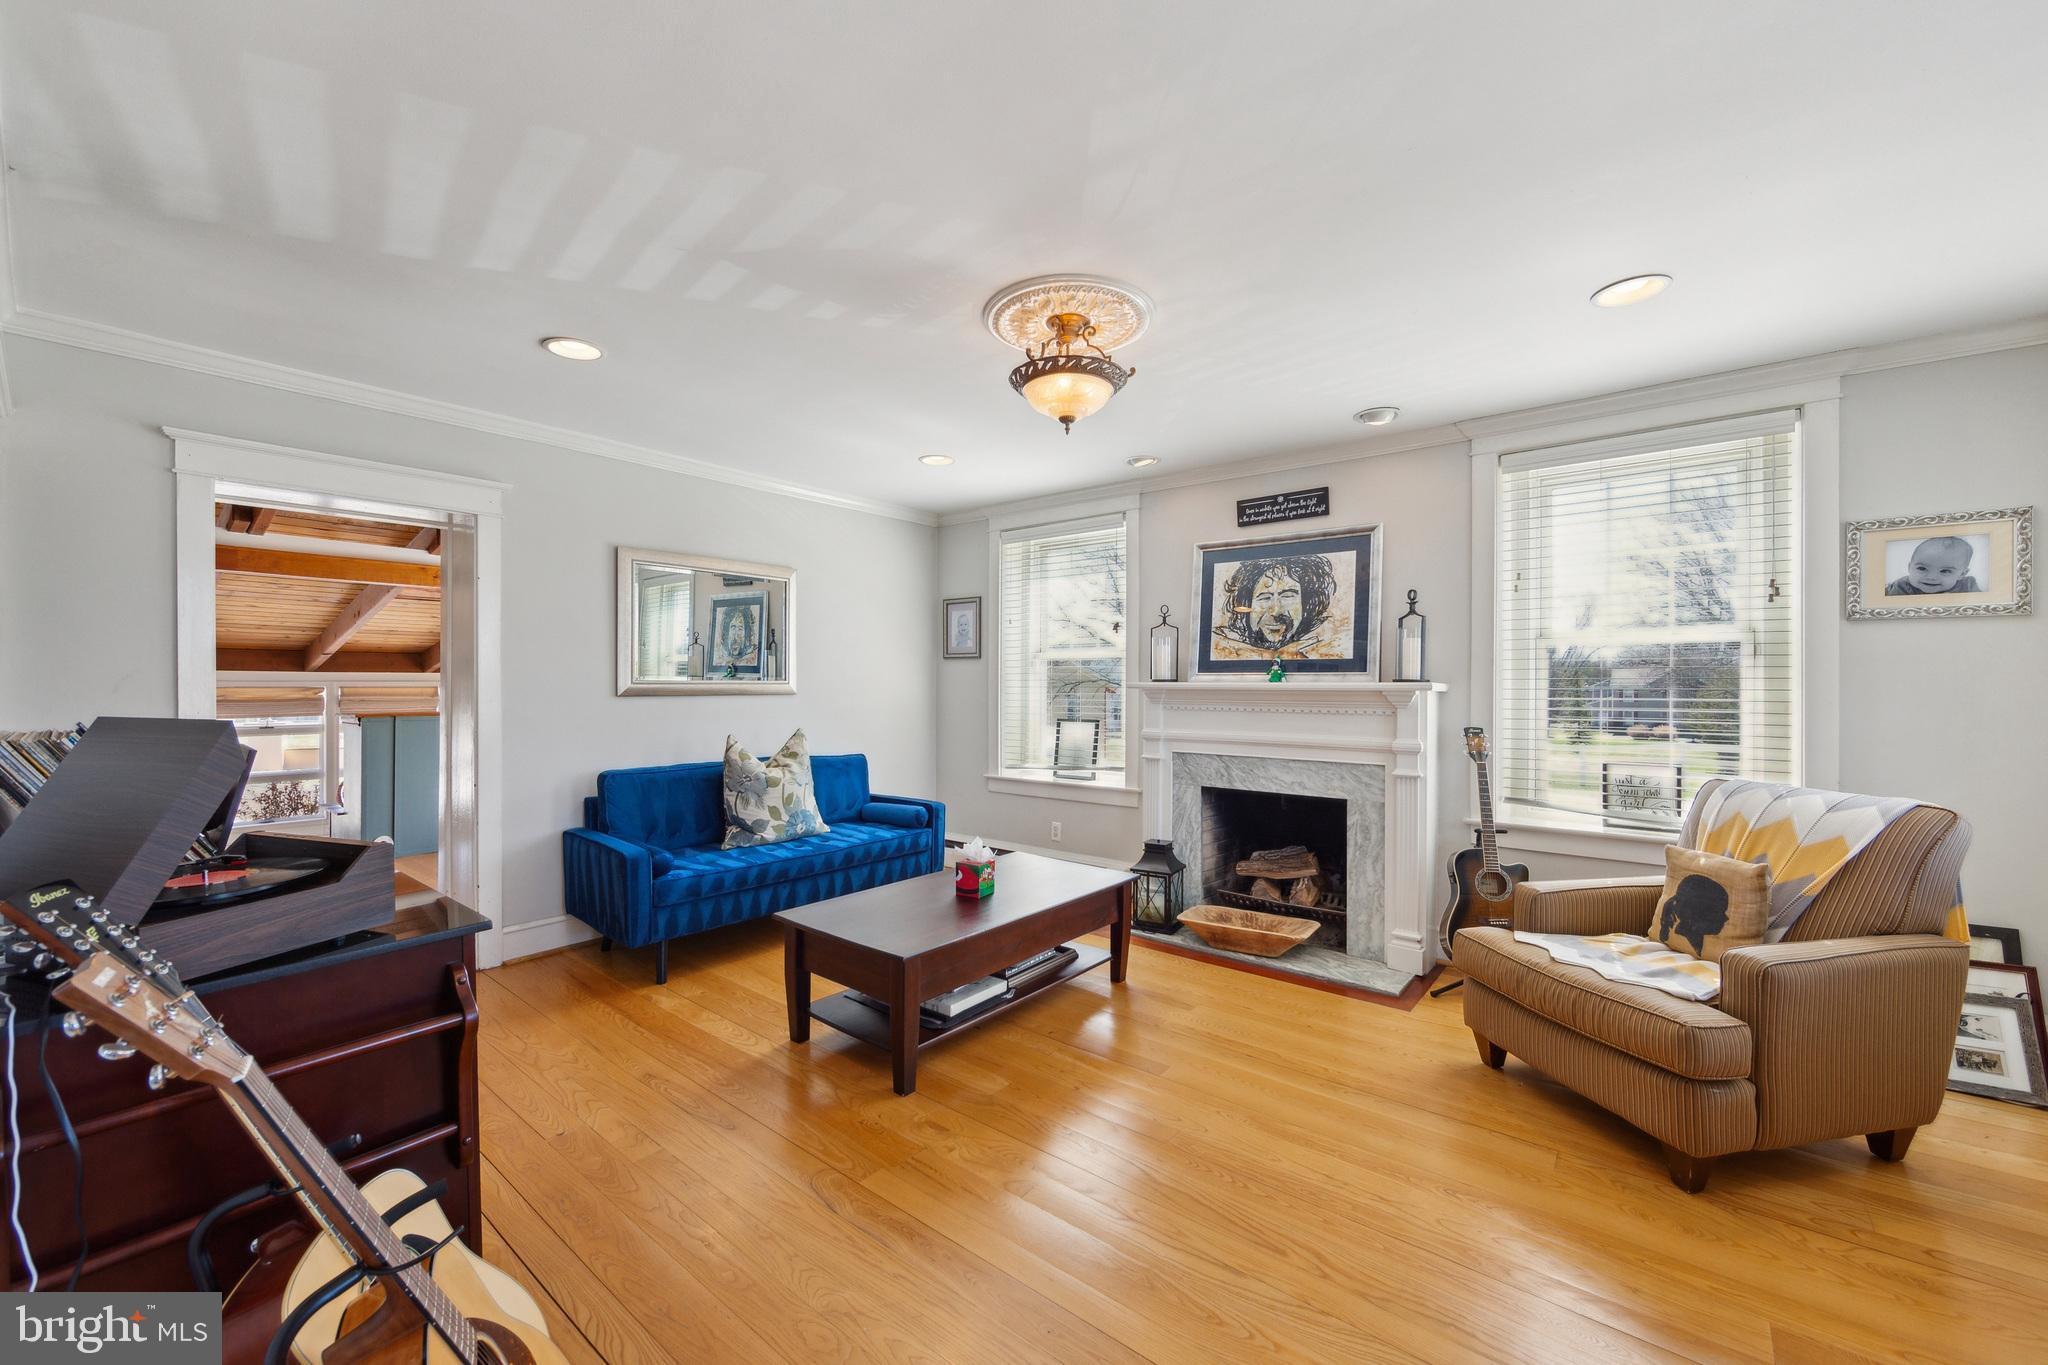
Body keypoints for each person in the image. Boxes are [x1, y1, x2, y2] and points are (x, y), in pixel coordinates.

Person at [1887, 535, 1981, 595]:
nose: (1931, 577)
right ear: (1909, 568)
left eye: (1945, 571)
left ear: (1962, 574)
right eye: (1922, 568)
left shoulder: (1968, 585)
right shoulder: (1902, 586)